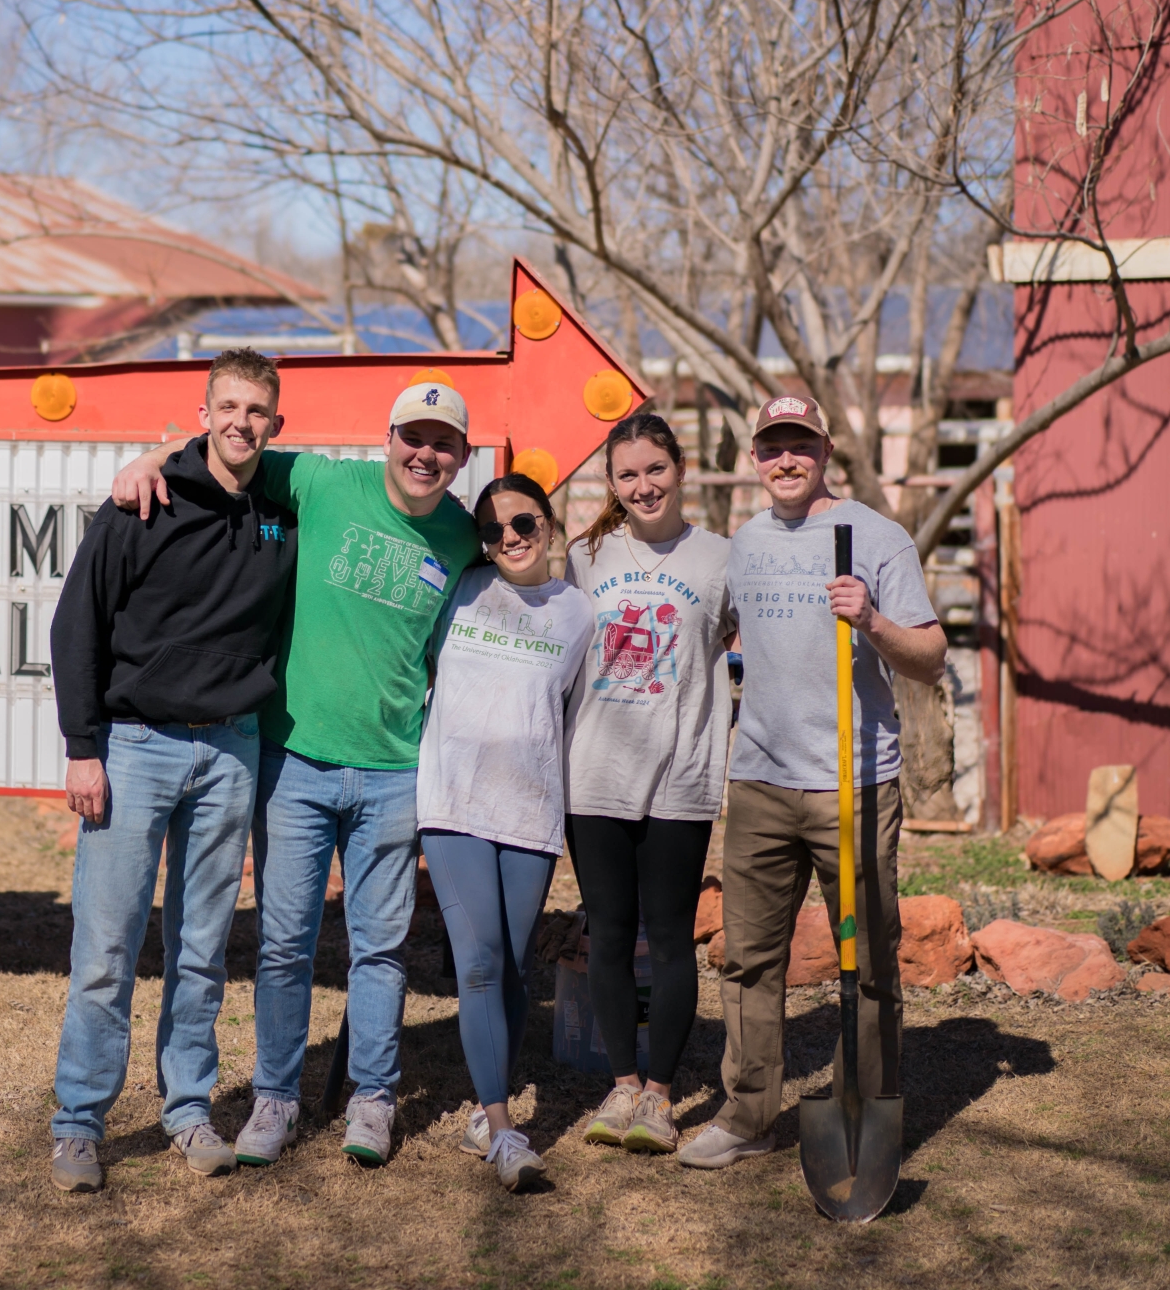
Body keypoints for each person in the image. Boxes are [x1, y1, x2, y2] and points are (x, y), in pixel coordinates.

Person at [111, 380, 480, 1167]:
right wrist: (152, 455)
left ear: (463, 456)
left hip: (392, 771)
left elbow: (525, 568)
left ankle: (372, 1099)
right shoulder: (319, 480)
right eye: (413, 436)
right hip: (297, 762)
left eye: (443, 443)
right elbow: (221, 455)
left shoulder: (460, 536)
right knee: (284, 944)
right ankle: (275, 1097)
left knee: (380, 949)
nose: (426, 454)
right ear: (388, 436)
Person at [46, 348, 298, 1194]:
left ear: (276, 423)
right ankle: (79, 1122)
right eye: (227, 406)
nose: (241, 422)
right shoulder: (141, 504)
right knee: (106, 946)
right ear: (204, 412)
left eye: (256, 411)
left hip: (231, 749)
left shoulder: (286, 506)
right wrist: (83, 746)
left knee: (200, 949)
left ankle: (189, 1108)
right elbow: (76, 624)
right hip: (134, 745)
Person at [676, 394, 945, 1170]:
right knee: (749, 958)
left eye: (800, 445)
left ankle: (868, 1109)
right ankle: (749, 1114)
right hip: (759, 780)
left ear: (825, 451)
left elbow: (930, 656)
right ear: (755, 458)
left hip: (853, 786)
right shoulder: (743, 545)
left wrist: (871, 621)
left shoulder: (875, 536)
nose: (785, 460)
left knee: (868, 958)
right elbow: (712, 626)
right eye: (771, 447)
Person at [560, 412, 736, 1154]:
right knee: (606, 934)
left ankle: (660, 1096)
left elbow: (754, 645)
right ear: (611, 483)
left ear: (681, 468)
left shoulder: (723, 560)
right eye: (627, 474)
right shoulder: (583, 556)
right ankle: (622, 1082)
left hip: (681, 776)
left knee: (667, 938)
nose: (643, 485)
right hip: (592, 772)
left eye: (654, 469)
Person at [416, 471, 595, 1191]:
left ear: (547, 524)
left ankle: (487, 1114)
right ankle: (500, 1124)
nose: (508, 540)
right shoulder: (457, 591)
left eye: (522, 524)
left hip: (530, 809)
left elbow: (580, 712)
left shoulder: (579, 612)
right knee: (481, 961)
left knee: (514, 966)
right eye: (492, 532)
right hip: (453, 802)